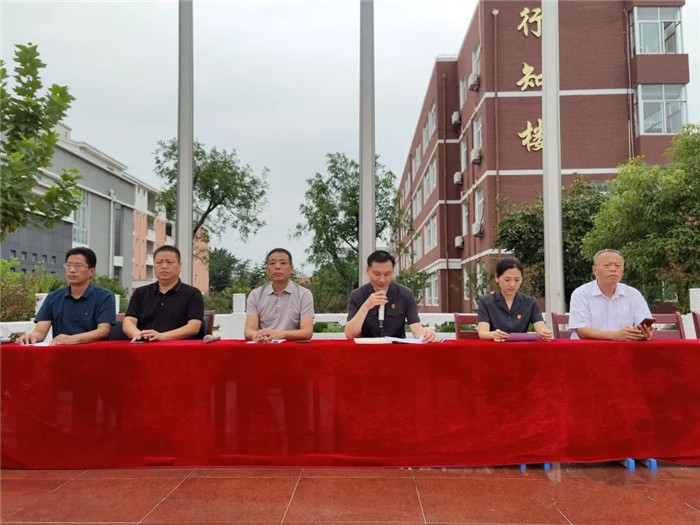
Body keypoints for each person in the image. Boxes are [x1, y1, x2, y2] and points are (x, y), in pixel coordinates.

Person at [17, 247, 116, 345]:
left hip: (92, 352)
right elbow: (39, 332)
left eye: (78, 266)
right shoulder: (53, 297)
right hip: (61, 351)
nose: (72, 270)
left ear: (92, 271)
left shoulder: (105, 296)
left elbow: (103, 331)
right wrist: (31, 337)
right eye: (68, 265)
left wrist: (74, 339)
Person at [344, 250, 438, 341]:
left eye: (387, 274)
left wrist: (426, 334)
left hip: (396, 348)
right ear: (367, 270)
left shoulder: (405, 294)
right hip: (367, 348)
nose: (382, 280)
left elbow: (416, 329)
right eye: (377, 274)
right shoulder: (357, 295)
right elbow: (349, 334)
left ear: (393, 272)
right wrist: (366, 306)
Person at [122, 245, 204, 342]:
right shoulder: (140, 293)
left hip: (179, 347)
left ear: (179, 265)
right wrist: (136, 333)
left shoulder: (193, 294)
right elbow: (129, 320)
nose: (164, 266)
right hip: (145, 345)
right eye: (159, 263)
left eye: (169, 262)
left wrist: (162, 336)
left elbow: (194, 327)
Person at [568, 249, 653, 341]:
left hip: (624, 347)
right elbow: (581, 331)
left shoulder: (633, 294)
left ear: (623, 270)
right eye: (607, 265)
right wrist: (616, 335)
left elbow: (647, 327)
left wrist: (645, 333)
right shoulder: (581, 293)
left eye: (618, 266)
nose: (613, 269)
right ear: (595, 270)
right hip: (589, 348)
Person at [244, 248, 314, 342]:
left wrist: (281, 334)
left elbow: (307, 332)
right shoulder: (255, 295)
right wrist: (256, 335)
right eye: (272, 263)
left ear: (291, 269)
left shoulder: (304, 294)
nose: (277, 267)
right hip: (264, 345)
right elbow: (249, 331)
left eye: (283, 263)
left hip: (292, 347)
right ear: (267, 269)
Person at [476, 257, 552, 341]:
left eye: (517, 280)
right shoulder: (486, 302)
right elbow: (483, 333)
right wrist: (493, 334)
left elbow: (541, 328)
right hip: (495, 347)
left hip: (521, 347)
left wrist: (545, 334)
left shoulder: (530, 302)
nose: (512, 284)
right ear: (497, 277)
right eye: (507, 280)